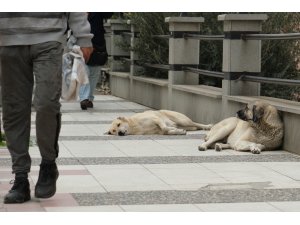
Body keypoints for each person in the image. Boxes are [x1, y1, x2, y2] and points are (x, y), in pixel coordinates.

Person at [0, 12, 93, 204]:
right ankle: (20, 178)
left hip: (50, 37)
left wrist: (83, 36)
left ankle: (48, 163)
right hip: (7, 39)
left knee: (46, 104)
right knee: (14, 108)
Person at [79, 12, 113, 110]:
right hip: (82, 45)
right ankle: (84, 98)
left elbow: (108, 14)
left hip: (97, 46)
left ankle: (89, 98)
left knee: (94, 74)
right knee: (84, 72)